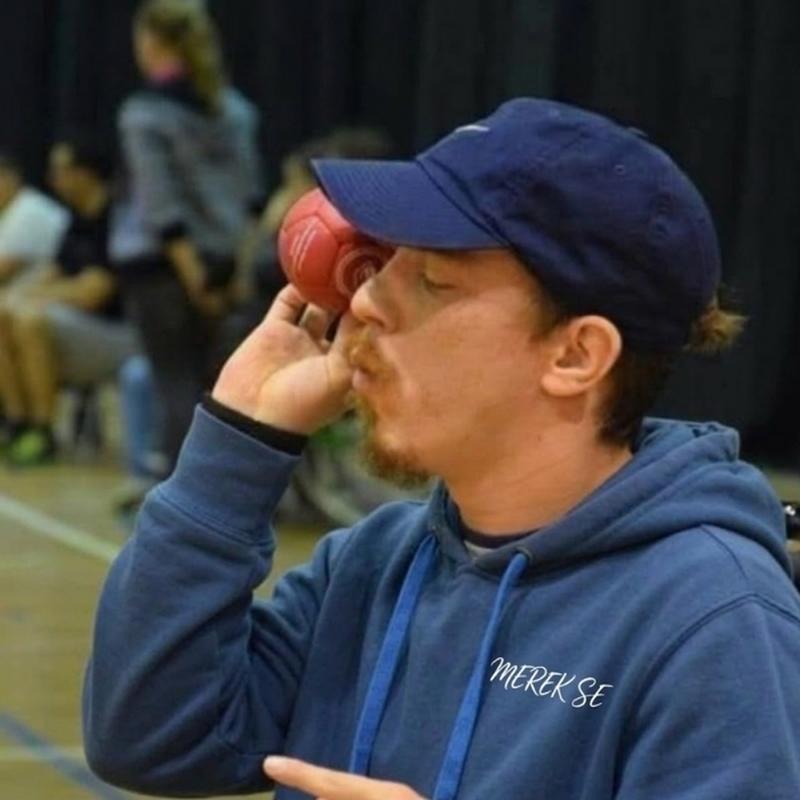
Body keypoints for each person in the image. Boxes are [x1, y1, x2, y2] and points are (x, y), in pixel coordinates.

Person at [83, 99, 800, 798]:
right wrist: (241, 439)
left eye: (432, 279)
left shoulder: (714, 620)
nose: (365, 301)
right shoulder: (370, 566)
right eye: (385, 262)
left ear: (576, 355)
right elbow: (149, 740)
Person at [110, 0, 263, 471]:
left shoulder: (144, 114)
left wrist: (194, 277)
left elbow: (161, 206)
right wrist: (237, 275)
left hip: (165, 270)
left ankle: (178, 500)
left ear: (151, 43)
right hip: (227, 263)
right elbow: (252, 199)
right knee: (215, 390)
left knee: (174, 386)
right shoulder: (236, 111)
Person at [0, 138, 138, 465]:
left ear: (86, 173)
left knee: (29, 319)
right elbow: (54, 274)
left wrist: (41, 295)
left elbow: (92, 293)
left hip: (121, 335)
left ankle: (43, 430)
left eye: (61, 170)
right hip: (78, 328)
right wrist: (27, 296)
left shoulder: (115, 219)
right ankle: (19, 423)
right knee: (7, 311)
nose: (53, 178)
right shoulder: (77, 219)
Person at [0, 152, 69, 286]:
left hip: (54, 292)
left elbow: (4, 269)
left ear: (11, 178)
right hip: (28, 293)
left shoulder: (29, 210)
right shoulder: (12, 208)